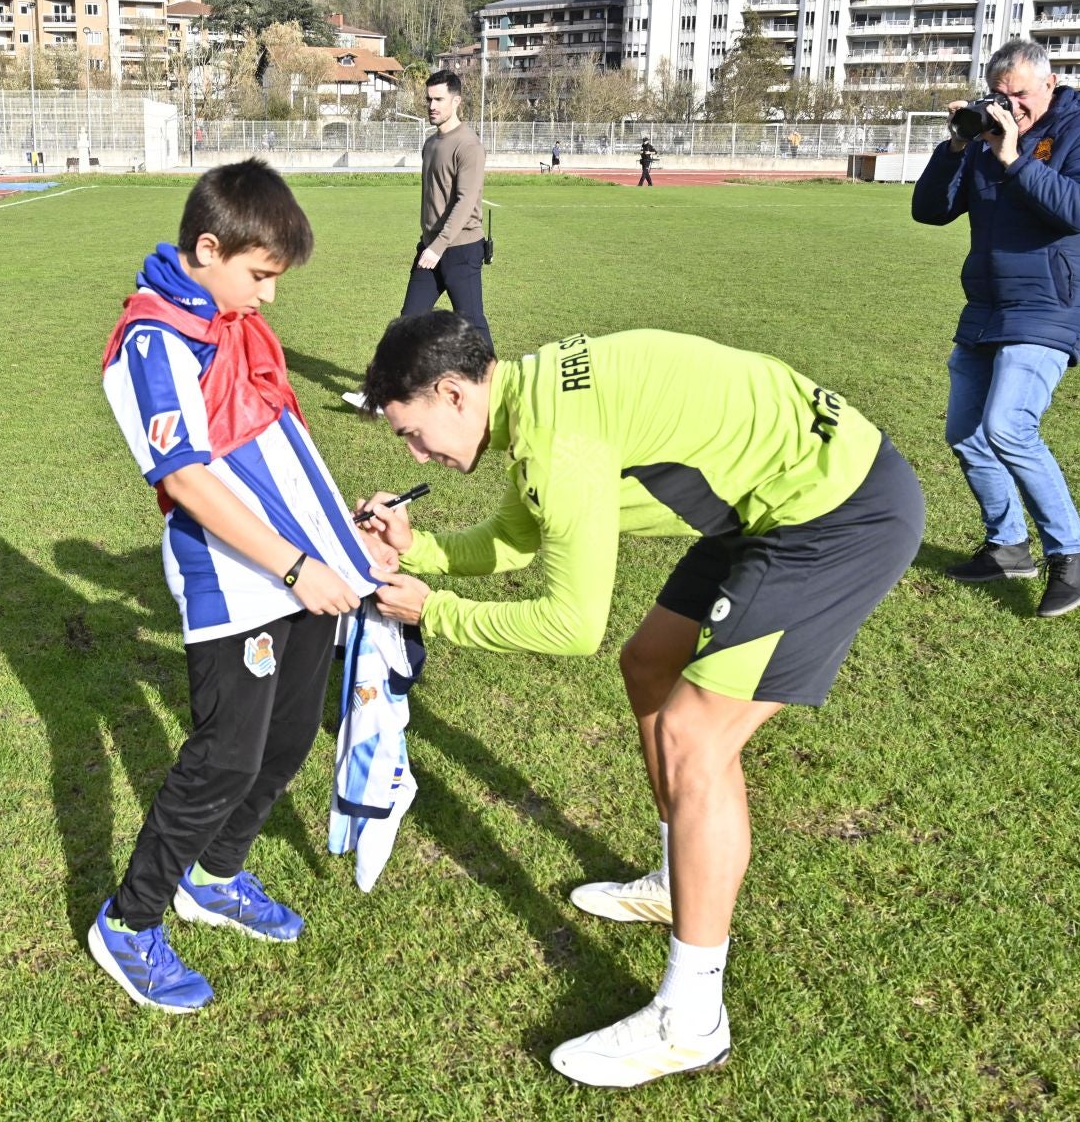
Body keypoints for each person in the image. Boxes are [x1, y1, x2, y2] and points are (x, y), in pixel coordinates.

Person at [354, 313, 924, 1088]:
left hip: (835, 513)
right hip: (765, 507)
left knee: (695, 737)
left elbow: (570, 623)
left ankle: (692, 1018)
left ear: (454, 393)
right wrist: (415, 547)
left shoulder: (559, 438)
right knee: (649, 663)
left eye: (414, 435)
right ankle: (672, 879)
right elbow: (521, 537)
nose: (419, 455)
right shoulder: (536, 396)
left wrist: (436, 611)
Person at [92, 159, 392, 1013]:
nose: (268, 298)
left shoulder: (231, 327)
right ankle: (130, 921)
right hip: (236, 580)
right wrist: (295, 565)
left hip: (304, 573)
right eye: (260, 276)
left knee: (289, 737)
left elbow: (280, 452)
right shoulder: (153, 338)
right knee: (223, 757)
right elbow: (186, 478)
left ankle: (215, 876)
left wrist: (338, 541)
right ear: (211, 248)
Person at [911, 37, 1080, 617]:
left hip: (1054, 299)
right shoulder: (983, 139)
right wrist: (956, 147)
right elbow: (929, 210)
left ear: (1049, 85)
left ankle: (1073, 557)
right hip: (988, 303)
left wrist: (1015, 157)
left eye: (1021, 95)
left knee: (1008, 426)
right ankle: (1007, 546)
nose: (1011, 107)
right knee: (966, 432)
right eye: (999, 95)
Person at [343, 70, 488, 410]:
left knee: (472, 323)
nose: (431, 105)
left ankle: (494, 394)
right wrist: (429, 244)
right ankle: (380, 396)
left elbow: (465, 202)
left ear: (457, 101)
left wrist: (438, 247)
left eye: (438, 99)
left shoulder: (468, 145)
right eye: (429, 99)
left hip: (461, 249)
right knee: (406, 325)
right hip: (431, 250)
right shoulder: (431, 143)